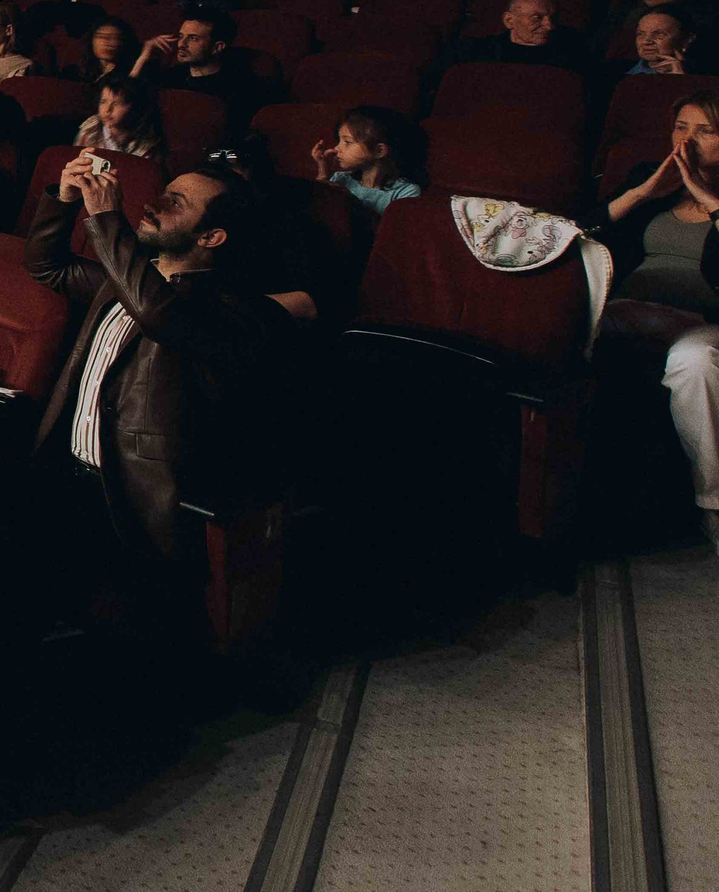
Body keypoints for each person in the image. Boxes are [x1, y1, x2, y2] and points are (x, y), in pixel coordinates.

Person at [22, 153, 303, 578]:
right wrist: (64, 199)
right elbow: (47, 266)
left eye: (176, 202)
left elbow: (159, 316)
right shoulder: (127, 282)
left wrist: (106, 220)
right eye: (162, 193)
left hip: (133, 502)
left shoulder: (236, 314)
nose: (153, 204)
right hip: (66, 473)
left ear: (211, 237)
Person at [584, 89, 719, 564]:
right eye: (682, 127)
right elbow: (579, 234)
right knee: (565, 332)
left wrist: (714, 205)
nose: (688, 141)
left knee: (696, 359)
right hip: (630, 311)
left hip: (717, 328)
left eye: (706, 130)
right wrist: (641, 194)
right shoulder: (648, 179)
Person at [132, 12, 271, 131]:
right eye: (181, 36)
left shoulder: (240, 87)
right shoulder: (172, 76)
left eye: (193, 38)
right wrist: (143, 57)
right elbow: (125, 101)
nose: (181, 44)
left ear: (217, 47)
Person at [309, 105, 425, 215]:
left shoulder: (405, 192)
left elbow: (393, 231)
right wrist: (323, 174)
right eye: (339, 141)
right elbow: (318, 213)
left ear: (379, 150)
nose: (336, 148)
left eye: (347, 142)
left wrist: (347, 200)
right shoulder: (340, 178)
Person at [452, 0, 592, 71]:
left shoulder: (574, 54)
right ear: (509, 21)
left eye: (552, 18)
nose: (549, 26)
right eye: (537, 18)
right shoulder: (474, 53)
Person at [75, 77, 167, 166]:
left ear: (133, 107)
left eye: (116, 103)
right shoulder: (90, 131)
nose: (107, 109)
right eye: (103, 102)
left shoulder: (147, 143)